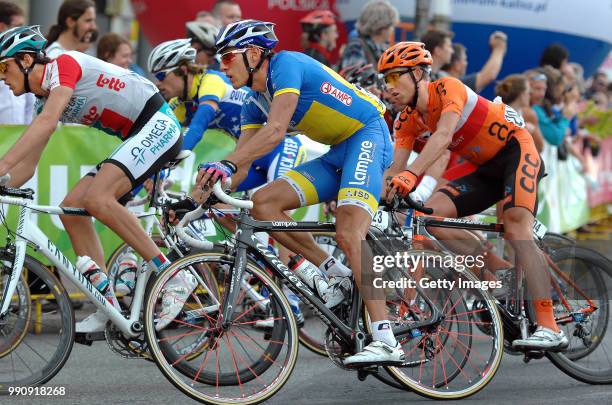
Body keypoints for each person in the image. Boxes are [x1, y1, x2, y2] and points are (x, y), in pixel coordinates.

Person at [198, 20, 401, 365]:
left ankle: (386, 338)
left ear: (253, 53)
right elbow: (244, 161)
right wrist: (205, 191)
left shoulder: (286, 66)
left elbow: (276, 131)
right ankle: (335, 273)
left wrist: (227, 165)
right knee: (265, 203)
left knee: (349, 230)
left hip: (368, 136)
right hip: (338, 151)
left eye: (228, 57)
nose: (222, 66)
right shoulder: (252, 100)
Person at [380, 41, 568, 350]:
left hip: (516, 151)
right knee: (431, 218)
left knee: (516, 228)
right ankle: (503, 277)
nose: (388, 87)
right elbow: (394, 169)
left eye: (393, 77)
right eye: (384, 80)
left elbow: (442, 136)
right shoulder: (406, 119)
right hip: (485, 168)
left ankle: (550, 327)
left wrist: (412, 175)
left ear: (417, 73)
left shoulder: (448, 88)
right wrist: (371, 199)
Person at [0, 26, 183, 336]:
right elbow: (28, 166)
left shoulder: (63, 65)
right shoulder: (43, 100)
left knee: (97, 198)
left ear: (27, 59)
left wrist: (1, 165)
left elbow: (46, 125)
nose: (1, 77)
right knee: (72, 209)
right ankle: (106, 303)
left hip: (157, 123)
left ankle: (172, 275)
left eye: (3, 67)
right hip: (136, 135)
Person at [148, 38, 308, 328]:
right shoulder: (182, 103)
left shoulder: (210, 81)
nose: (158, 83)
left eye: (161, 76)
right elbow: (162, 142)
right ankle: (260, 257)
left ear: (184, 71)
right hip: (251, 156)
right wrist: (151, 176)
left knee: (278, 222)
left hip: (280, 147)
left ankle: (292, 306)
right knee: (211, 203)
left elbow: (196, 129)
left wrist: (176, 158)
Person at [338, 0, 398, 71]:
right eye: (391, 25)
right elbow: (353, 77)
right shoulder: (356, 47)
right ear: (383, 26)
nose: (392, 30)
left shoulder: (380, 48)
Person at [0, 1, 34, 125]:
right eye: (18, 26)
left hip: (19, 138)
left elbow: (30, 102)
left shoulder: (24, 58)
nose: (22, 32)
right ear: (2, 27)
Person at [440, 31, 508, 93]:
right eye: (464, 60)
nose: (466, 63)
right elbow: (488, 76)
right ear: (456, 64)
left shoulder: (439, 83)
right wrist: (499, 48)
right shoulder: (453, 85)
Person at [495, 74, 545, 152]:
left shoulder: (528, 114)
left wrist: (533, 131)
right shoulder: (497, 111)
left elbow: (540, 148)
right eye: (528, 91)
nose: (530, 94)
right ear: (522, 95)